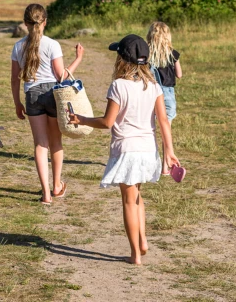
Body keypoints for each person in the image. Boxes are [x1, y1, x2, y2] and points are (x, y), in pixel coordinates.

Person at [67, 34, 180, 265]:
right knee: (137, 196)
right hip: (148, 150)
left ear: (122, 60)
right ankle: (143, 240)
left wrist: (82, 120)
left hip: (127, 150)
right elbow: (163, 121)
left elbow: (108, 122)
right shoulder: (154, 86)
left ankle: (135, 255)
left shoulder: (118, 85)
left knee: (129, 201)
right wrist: (169, 150)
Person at [11, 3, 84, 205]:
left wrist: (17, 103)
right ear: (45, 22)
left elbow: (14, 79)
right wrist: (78, 59)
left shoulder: (18, 46)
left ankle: (45, 193)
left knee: (40, 144)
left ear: (25, 23)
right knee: (55, 142)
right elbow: (61, 77)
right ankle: (57, 186)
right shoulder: (52, 44)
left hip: (31, 95)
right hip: (52, 94)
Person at [146, 21, 182, 176]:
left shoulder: (147, 55)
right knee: (166, 130)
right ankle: (164, 168)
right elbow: (179, 74)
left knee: (150, 130)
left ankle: (149, 164)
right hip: (167, 95)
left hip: (151, 94)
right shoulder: (173, 54)